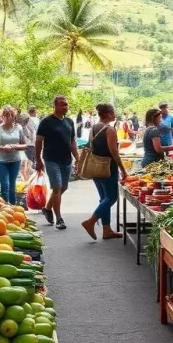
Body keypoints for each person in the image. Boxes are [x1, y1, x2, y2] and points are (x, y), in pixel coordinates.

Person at [80, 103, 127, 240]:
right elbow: (113, 151)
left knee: (103, 198)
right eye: (113, 112)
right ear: (108, 114)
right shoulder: (109, 129)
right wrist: (122, 169)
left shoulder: (93, 128)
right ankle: (91, 221)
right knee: (112, 197)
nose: (115, 114)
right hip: (108, 167)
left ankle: (106, 230)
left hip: (96, 166)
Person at [35, 95, 79, 230]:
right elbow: (38, 141)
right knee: (57, 187)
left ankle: (48, 208)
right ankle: (59, 218)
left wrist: (78, 158)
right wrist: (38, 159)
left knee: (63, 187)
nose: (66, 107)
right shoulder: (46, 122)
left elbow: (72, 141)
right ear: (55, 106)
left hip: (66, 160)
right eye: (63, 104)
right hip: (51, 159)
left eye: (67, 104)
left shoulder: (69, 122)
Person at [0, 105, 26, 205]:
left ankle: (13, 207)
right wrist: (2, 148)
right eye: (4, 115)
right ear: (1, 117)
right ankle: (5, 206)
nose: (6, 117)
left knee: (12, 185)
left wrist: (15, 146)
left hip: (15, 160)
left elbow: (24, 145)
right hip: (0, 161)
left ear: (13, 116)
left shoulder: (18, 128)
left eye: (9, 115)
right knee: (5, 185)